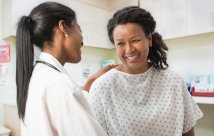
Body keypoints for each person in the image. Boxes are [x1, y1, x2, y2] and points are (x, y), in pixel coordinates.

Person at [88, 6, 203, 136]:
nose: (129, 50)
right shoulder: (102, 87)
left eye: (135, 40)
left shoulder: (173, 81)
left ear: (149, 39)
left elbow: (187, 131)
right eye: (121, 43)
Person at [16, 2, 115, 136]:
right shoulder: (60, 84)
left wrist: (89, 83)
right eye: (79, 29)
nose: (82, 40)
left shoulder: (38, 75)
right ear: (63, 27)